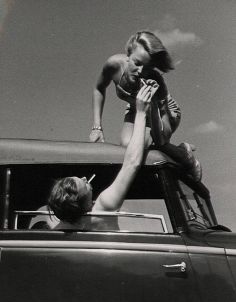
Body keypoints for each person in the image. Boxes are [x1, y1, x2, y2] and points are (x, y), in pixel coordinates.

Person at [89, 30, 201, 181]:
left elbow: (162, 138)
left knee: (146, 145)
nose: (141, 71)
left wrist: (153, 103)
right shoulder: (114, 65)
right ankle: (178, 151)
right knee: (127, 146)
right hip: (136, 107)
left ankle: (184, 155)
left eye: (148, 68)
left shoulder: (157, 84)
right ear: (128, 55)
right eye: (137, 63)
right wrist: (97, 127)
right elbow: (99, 88)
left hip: (163, 110)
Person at [48, 83, 152, 229]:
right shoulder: (103, 208)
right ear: (83, 202)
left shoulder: (60, 228)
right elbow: (131, 163)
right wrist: (141, 112)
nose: (85, 178)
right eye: (83, 183)